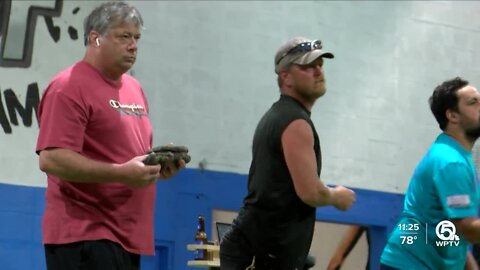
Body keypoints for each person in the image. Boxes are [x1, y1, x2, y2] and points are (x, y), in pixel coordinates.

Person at [35, 2, 185, 269]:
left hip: (127, 235)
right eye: (124, 36)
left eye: (136, 37)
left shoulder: (134, 89)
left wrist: (154, 168)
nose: (133, 45)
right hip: (85, 234)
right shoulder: (68, 87)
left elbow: (127, 160)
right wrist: (121, 173)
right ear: (96, 38)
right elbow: (52, 159)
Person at [219, 37, 356, 270]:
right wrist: (336, 197)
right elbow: (310, 192)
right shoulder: (294, 122)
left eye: (320, 65)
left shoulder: (281, 116)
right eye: (307, 66)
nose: (318, 71)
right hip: (259, 253)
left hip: (261, 250)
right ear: (285, 77)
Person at [380, 77, 480, 270]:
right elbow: (467, 228)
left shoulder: (455, 154)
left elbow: (452, 229)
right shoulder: (451, 162)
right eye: (473, 102)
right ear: (452, 116)